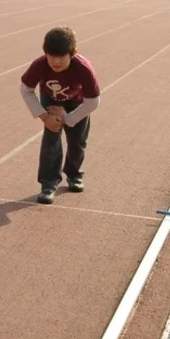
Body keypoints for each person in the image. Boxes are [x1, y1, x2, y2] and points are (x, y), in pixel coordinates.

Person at [19, 27, 101, 205]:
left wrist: (69, 118)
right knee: (51, 140)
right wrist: (44, 116)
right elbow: (25, 89)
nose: (56, 62)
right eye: (51, 56)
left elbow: (93, 101)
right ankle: (49, 184)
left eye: (61, 57)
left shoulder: (83, 69)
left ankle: (74, 174)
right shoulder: (40, 65)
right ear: (45, 53)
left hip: (78, 103)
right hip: (51, 100)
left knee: (78, 140)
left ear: (73, 53)